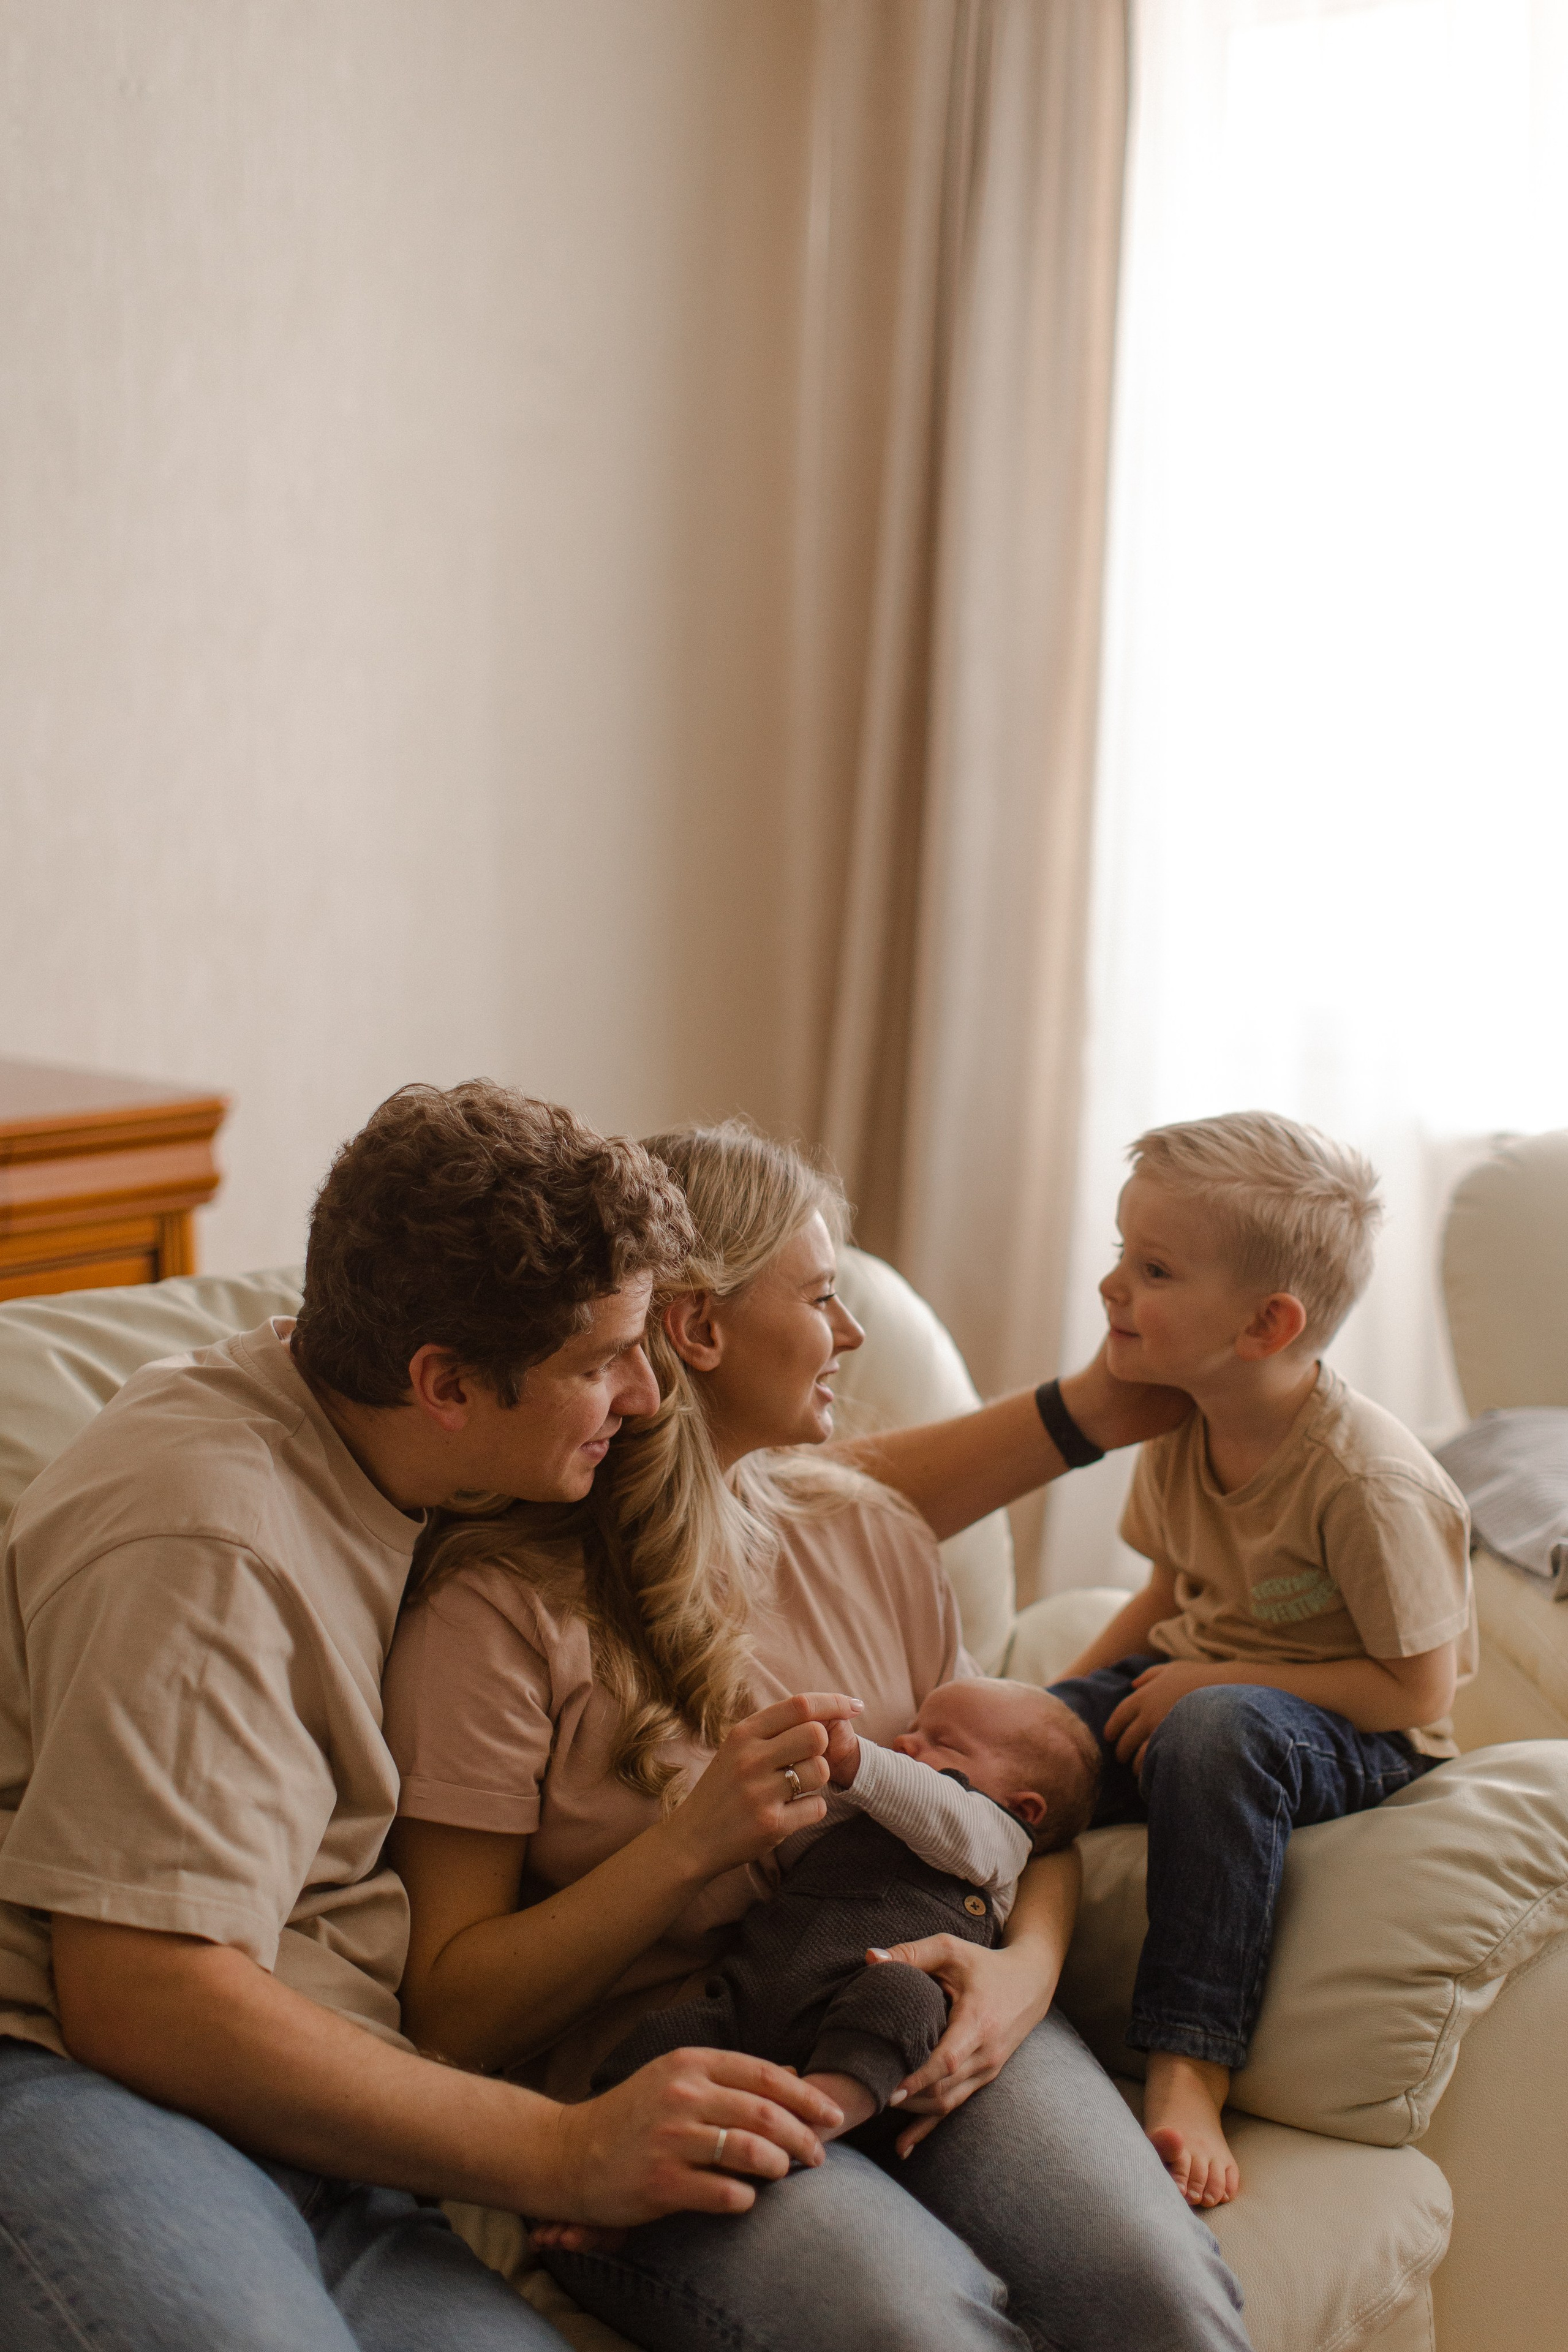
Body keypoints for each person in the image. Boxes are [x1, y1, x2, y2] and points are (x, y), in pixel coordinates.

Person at [0, 1085, 846, 2352]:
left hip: (325, 2114)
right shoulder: (204, 1536)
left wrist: (1076, 1416)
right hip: (85, 2078)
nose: (646, 1398)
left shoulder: (408, 1442)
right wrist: (564, 2150)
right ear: (445, 1381)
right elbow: (141, 1995)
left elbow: (793, 1481)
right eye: (599, 1362)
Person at [383, 1119, 1250, 2352]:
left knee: (1153, 2293)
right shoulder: (497, 1614)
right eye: (823, 1296)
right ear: (697, 1329)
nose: (848, 1334)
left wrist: (1017, 1980)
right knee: (910, 2325)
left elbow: (1015, 1815)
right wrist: (683, 1850)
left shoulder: (865, 1533)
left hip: (923, 1996)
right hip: (669, 2071)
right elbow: (449, 2013)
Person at [1050, 1111, 1473, 2214]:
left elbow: (1419, 1693)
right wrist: (1047, 1717)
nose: (1111, 1288)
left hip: (1352, 1729)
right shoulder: (1186, 1422)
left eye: (1151, 1269)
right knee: (992, 1735)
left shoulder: (1368, 1482)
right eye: (1119, 1252)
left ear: (1266, 1322)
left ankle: (1192, 2064)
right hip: (1203, 1694)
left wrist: (1219, 1686)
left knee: (1216, 1726)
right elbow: (1161, 1602)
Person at [588, 1679, 1102, 2138]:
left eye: (943, 1743)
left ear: (1024, 1807)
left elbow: (937, 1807)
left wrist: (860, 1761)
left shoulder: (997, 1839)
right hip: (746, 2000)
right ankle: (606, 2144)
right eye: (912, 1730)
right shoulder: (872, 1809)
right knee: (659, 2042)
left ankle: (816, 2116)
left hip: (863, 2003)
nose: (905, 1743)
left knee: (904, 1997)